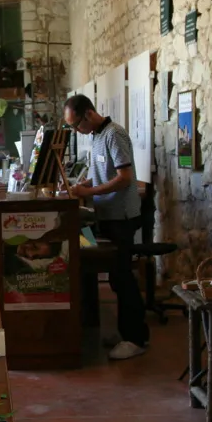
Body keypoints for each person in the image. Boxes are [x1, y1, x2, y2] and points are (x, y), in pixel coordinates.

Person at [63, 94, 148, 360]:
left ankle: (135, 338)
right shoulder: (97, 137)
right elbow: (102, 174)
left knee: (123, 277)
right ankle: (126, 332)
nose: (77, 131)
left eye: (76, 125)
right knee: (115, 276)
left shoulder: (114, 134)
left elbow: (124, 178)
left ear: (88, 114)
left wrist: (90, 191)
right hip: (107, 216)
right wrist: (84, 184)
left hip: (122, 216)